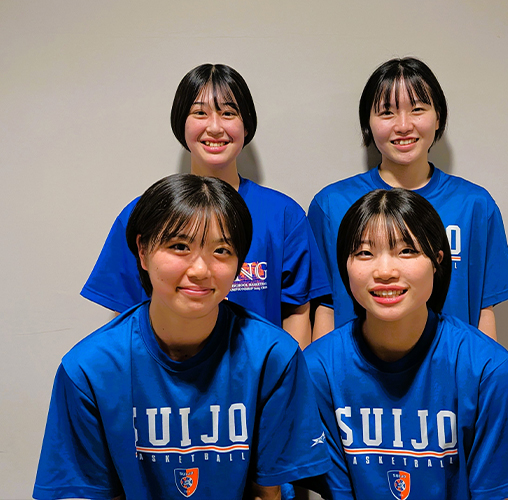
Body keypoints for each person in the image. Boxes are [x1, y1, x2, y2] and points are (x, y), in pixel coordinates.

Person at [33, 174, 331, 500]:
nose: (200, 270)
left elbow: (267, 492)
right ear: (142, 251)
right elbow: (89, 492)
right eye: (179, 247)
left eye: (221, 250)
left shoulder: (274, 357)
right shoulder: (89, 370)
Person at [302, 188, 508, 500]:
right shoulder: (317, 371)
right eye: (365, 253)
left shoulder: (489, 370)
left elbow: (497, 493)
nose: (385, 271)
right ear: (345, 265)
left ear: (437, 260)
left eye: (407, 251)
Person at [81, 64, 330, 348]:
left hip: (257, 373)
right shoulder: (145, 212)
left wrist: (286, 373)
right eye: (200, 113)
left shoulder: (283, 214)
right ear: (181, 123)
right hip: (165, 372)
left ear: (246, 125)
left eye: (228, 113)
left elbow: (297, 311)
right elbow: (124, 315)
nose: (214, 127)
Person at [308, 57, 508, 340]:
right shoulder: (331, 205)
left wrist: (482, 367)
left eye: (417, 109)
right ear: (368, 122)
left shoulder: (474, 205)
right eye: (387, 112)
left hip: (451, 365)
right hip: (354, 366)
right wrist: (320, 368)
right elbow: (325, 306)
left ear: (438, 117)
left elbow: (484, 308)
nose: (404, 125)